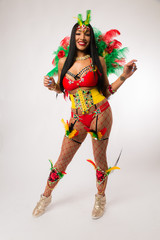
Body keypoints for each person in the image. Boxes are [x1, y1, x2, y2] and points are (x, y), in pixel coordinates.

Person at [32, 10, 137, 219]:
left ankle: (100, 198)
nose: (82, 37)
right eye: (78, 33)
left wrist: (124, 77)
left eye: (87, 34)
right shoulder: (63, 62)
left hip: (101, 114)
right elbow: (63, 89)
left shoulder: (98, 60)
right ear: (73, 37)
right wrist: (53, 86)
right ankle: (45, 196)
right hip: (77, 118)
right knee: (62, 160)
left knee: (100, 161)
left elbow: (106, 91)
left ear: (91, 38)